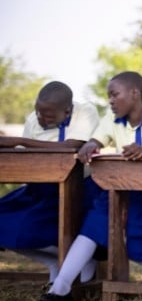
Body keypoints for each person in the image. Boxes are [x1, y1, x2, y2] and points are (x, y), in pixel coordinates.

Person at [41, 71, 142, 301]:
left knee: (136, 240)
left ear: (135, 93)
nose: (111, 101)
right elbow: (98, 139)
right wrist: (90, 146)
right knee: (93, 226)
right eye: (109, 96)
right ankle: (61, 288)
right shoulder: (111, 118)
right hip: (119, 189)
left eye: (115, 94)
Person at [0, 81, 99, 284]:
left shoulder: (85, 112)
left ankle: (82, 260)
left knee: (36, 226)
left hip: (80, 188)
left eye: (48, 116)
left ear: (68, 111)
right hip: (41, 187)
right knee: (5, 220)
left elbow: (73, 146)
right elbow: (27, 158)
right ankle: (54, 261)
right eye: (38, 112)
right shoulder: (32, 120)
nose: (41, 119)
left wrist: (21, 141)